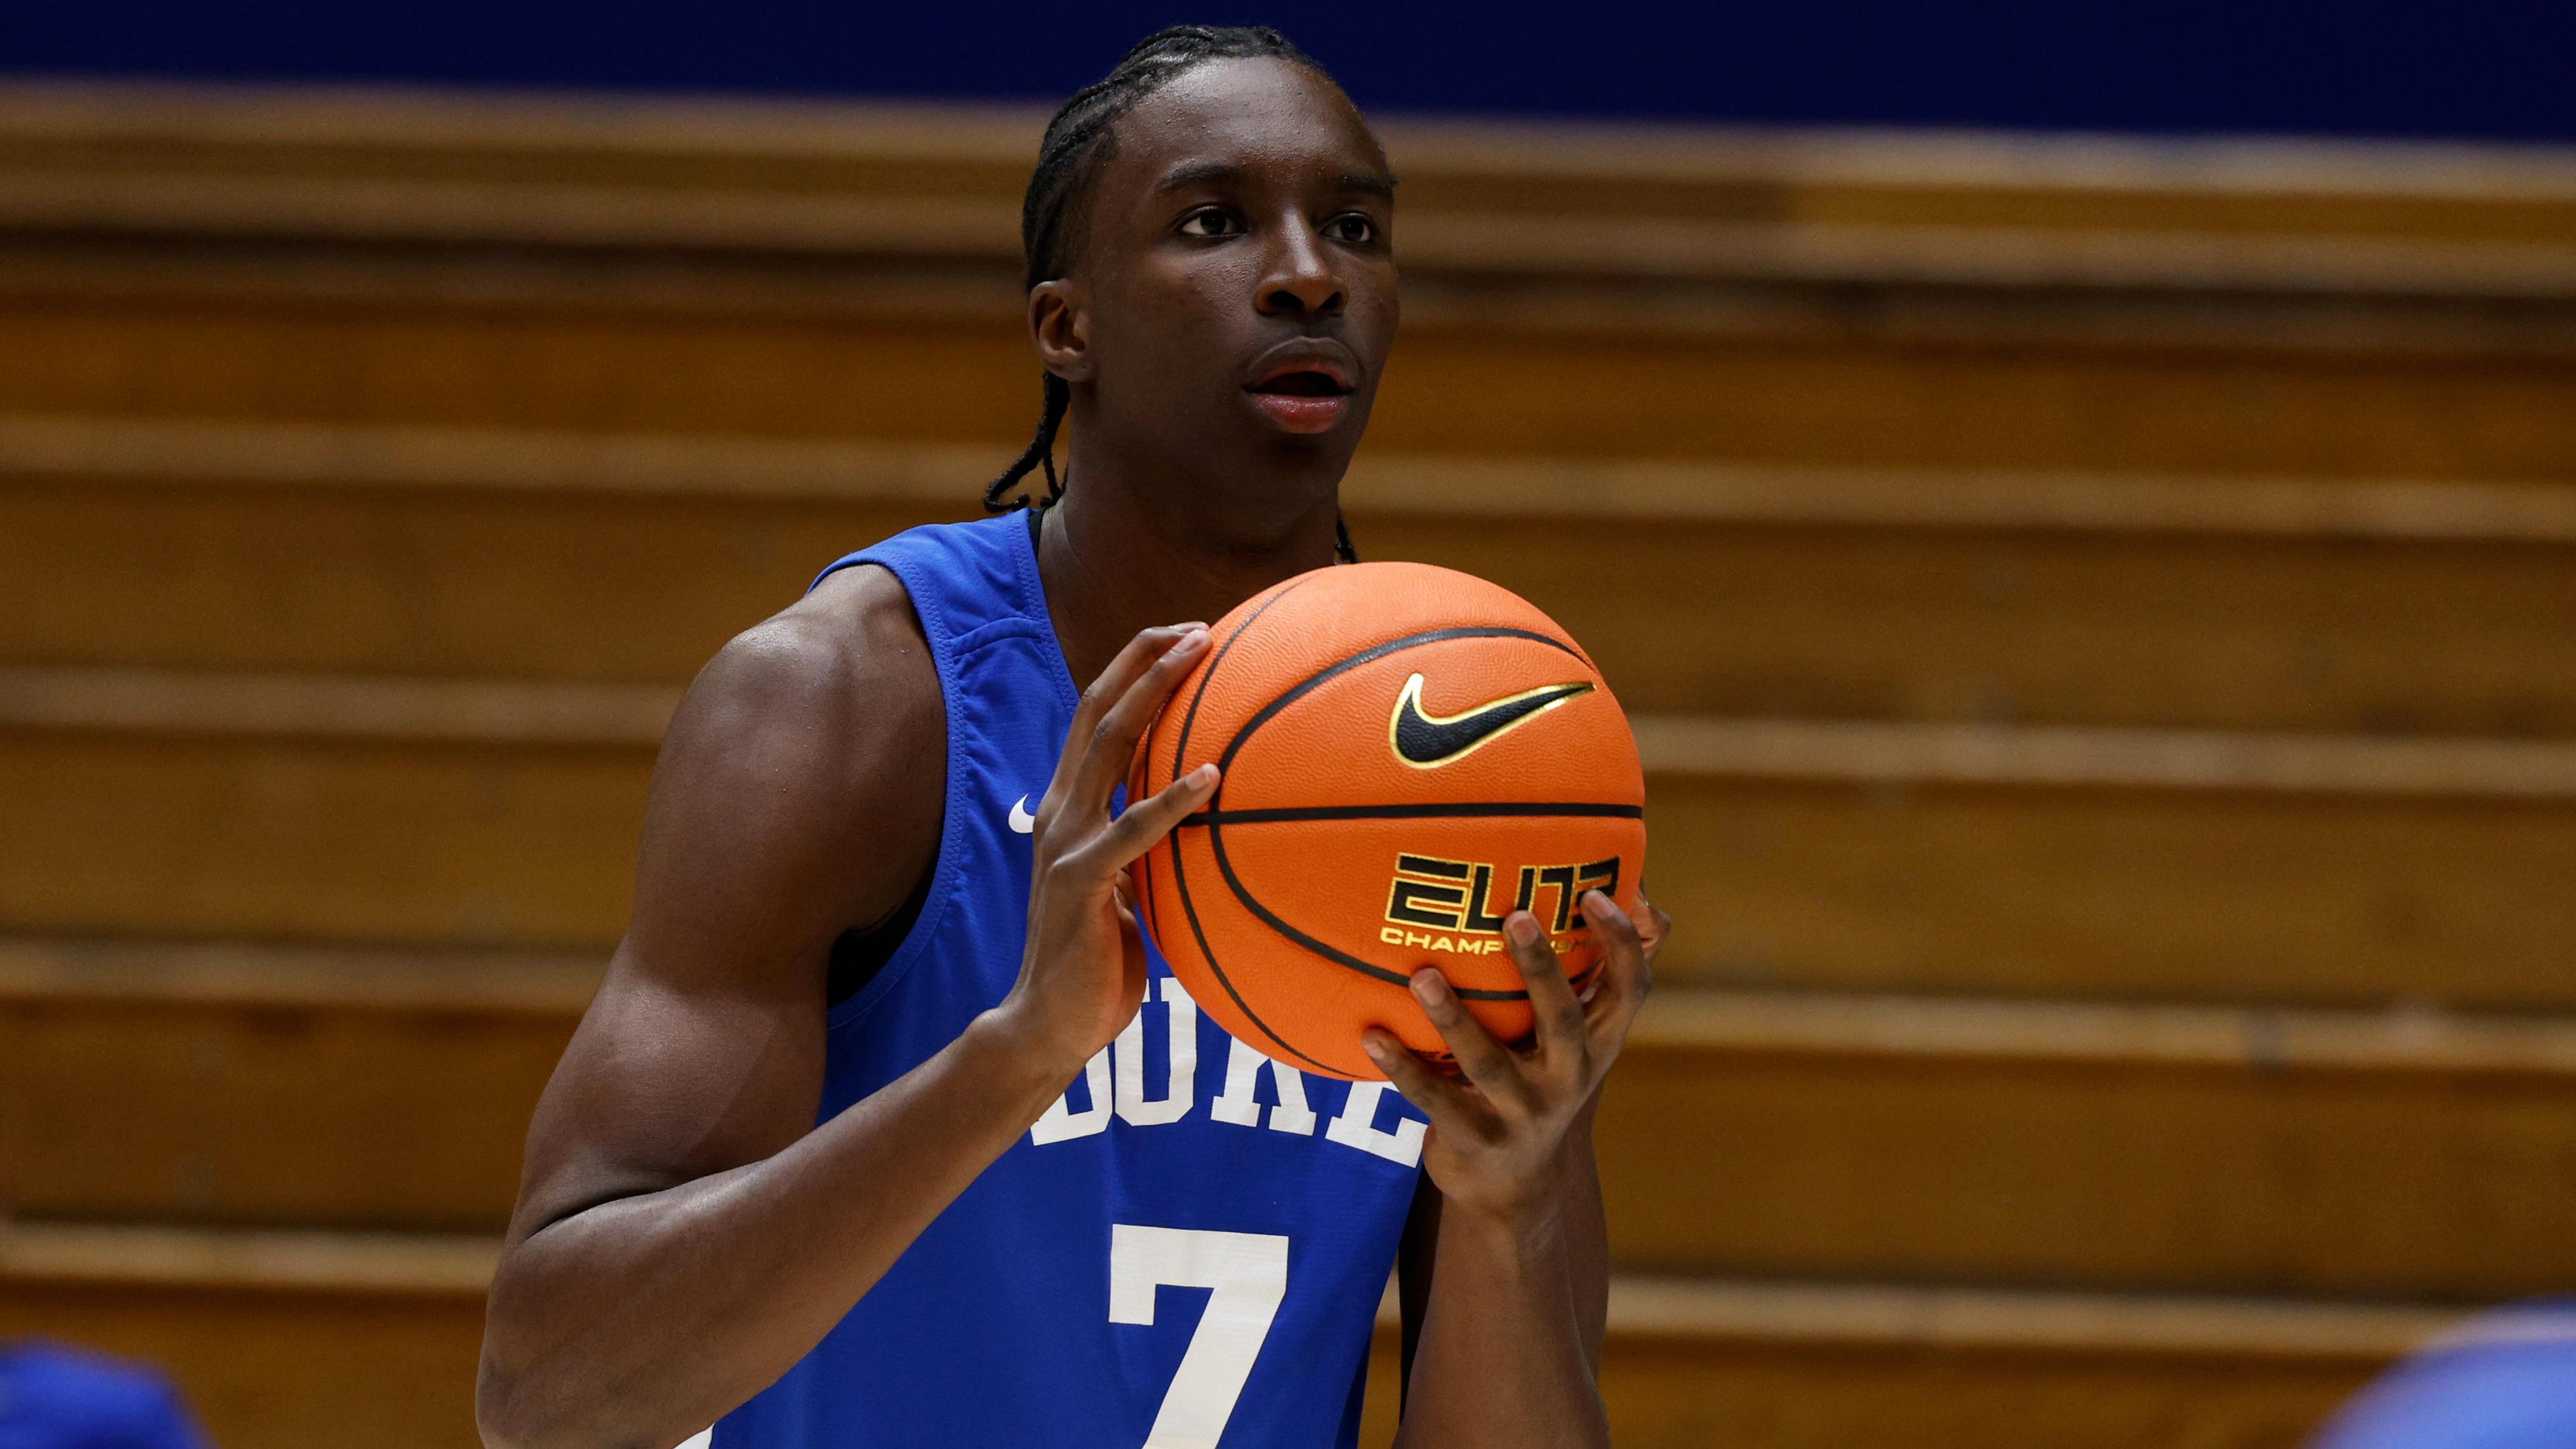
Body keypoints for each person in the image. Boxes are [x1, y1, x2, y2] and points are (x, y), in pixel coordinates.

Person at [475, 25, 1665, 1449]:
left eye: (1353, 225)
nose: (1308, 273)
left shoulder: (1481, 782)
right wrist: (1016, 1054)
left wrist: (1509, 1205)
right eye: (1214, 223)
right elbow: (546, 1392)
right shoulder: (854, 704)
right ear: (1067, 325)